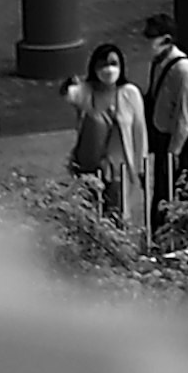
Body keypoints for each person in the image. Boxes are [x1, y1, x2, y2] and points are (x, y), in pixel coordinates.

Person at [64, 37, 143, 250]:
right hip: (90, 164)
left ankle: (118, 250)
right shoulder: (87, 92)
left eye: (113, 63)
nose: (108, 69)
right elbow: (70, 94)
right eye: (103, 64)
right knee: (89, 212)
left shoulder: (129, 93)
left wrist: (140, 164)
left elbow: (138, 131)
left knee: (116, 211)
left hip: (118, 168)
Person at [140, 6, 188, 218]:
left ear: (167, 40)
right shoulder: (159, 64)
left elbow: (185, 117)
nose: (149, 44)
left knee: (177, 196)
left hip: (183, 143)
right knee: (162, 194)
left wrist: (174, 151)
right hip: (165, 138)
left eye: (153, 38)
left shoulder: (184, 70)